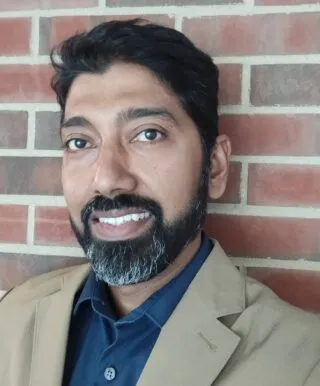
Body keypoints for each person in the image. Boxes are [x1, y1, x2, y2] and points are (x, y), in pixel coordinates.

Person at [0, 19, 320, 386]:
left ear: (214, 167)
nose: (107, 179)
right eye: (80, 141)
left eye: (147, 134)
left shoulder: (303, 360)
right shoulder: (14, 317)